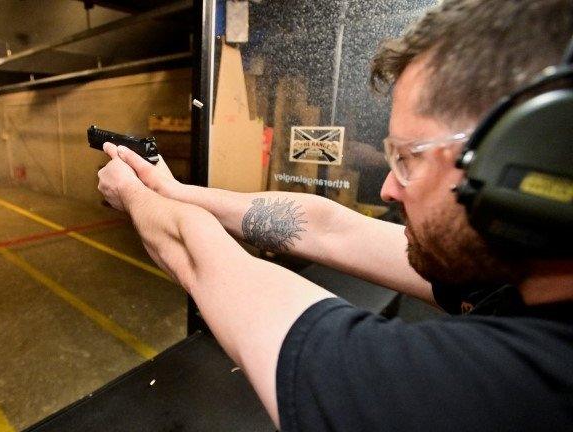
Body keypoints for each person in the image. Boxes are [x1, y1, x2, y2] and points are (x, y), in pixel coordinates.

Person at [97, 0, 573, 430]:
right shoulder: (515, 273)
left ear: (528, 157)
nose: (388, 188)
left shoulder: (516, 386)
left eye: (408, 159)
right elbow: (329, 229)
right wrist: (173, 190)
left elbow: (199, 260)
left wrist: (134, 194)